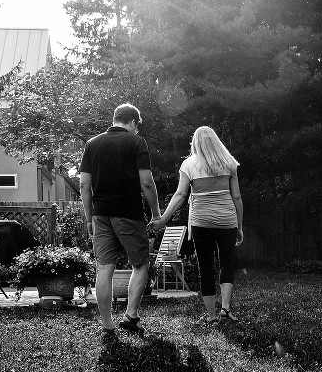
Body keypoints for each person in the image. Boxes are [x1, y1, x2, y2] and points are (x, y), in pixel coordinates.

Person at [79, 103, 162, 342]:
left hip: (101, 214)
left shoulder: (92, 144)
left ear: (115, 119)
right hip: (128, 213)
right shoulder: (137, 143)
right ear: (134, 122)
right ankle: (130, 316)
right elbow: (146, 182)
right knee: (140, 264)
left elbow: (85, 185)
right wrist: (156, 213)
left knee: (104, 268)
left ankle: (107, 326)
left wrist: (89, 218)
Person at [150, 126, 244, 326]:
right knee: (227, 263)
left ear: (195, 143)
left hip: (201, 222)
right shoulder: (229, 163)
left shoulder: (189, 164)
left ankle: (211, 316)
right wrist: (240, 227)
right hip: (227, 220)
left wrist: (163, 220)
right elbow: (236, 197)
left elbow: (181, 195)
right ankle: (225, 309)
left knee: (206, 267)